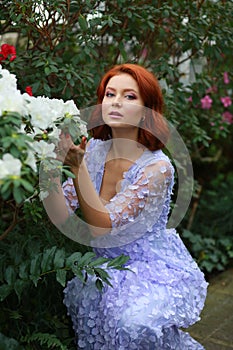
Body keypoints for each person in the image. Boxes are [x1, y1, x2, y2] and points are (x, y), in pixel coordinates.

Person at [46, 64, 208, 349]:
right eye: (110, 94)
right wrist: (51, 165)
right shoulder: (95, 150)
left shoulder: (157, 168)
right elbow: (62, 215)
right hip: (104, 266)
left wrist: (76, 166)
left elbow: (101, 225)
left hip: (152, 269)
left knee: (135, 326)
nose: (116, 101)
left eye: (129, 96)